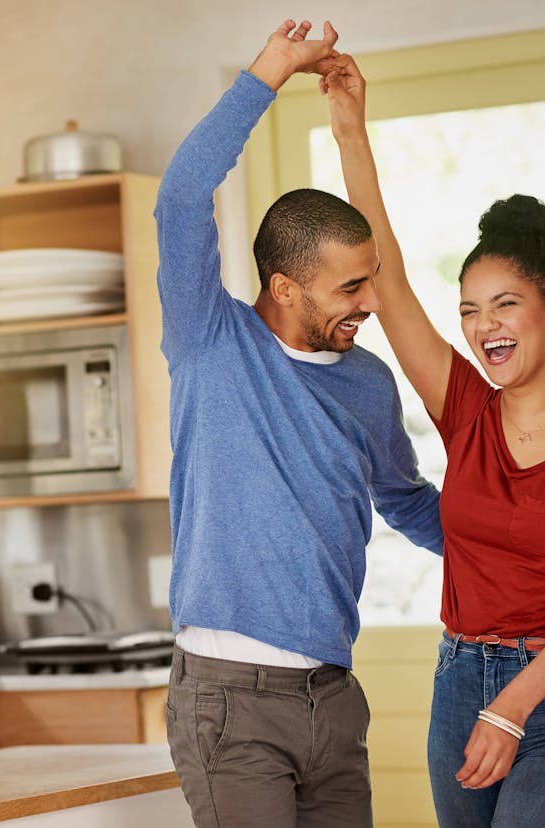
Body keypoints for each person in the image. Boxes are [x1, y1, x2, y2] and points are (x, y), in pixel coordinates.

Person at [320, 54, 545, 827]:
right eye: (471, 310)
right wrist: (349, 127)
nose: (484, 328)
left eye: (505, 304)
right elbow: (389, 279)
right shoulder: (467, 409)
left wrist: (513, 708)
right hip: (458, 681)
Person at [155, 21, 443, 828]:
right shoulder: (212, 342)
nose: (373, 304)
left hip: (334, 700)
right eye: (352, 288)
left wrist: (532, 559)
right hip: (229, 704)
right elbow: (180, 200)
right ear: (285, 287)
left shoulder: (368, 383)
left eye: (373, 280)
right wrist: (270, 72)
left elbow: (411, 503)